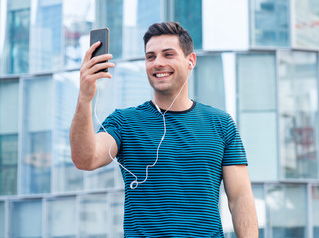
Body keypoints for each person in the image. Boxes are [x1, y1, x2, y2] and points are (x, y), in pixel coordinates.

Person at [70, 21, 258, 237]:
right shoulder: (124, 121)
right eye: (150, 56)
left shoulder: (221, 123)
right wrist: (84, 98)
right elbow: (85, 159)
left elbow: (240, 198)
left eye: (168, 54)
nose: (157, 63)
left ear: (191, 61)